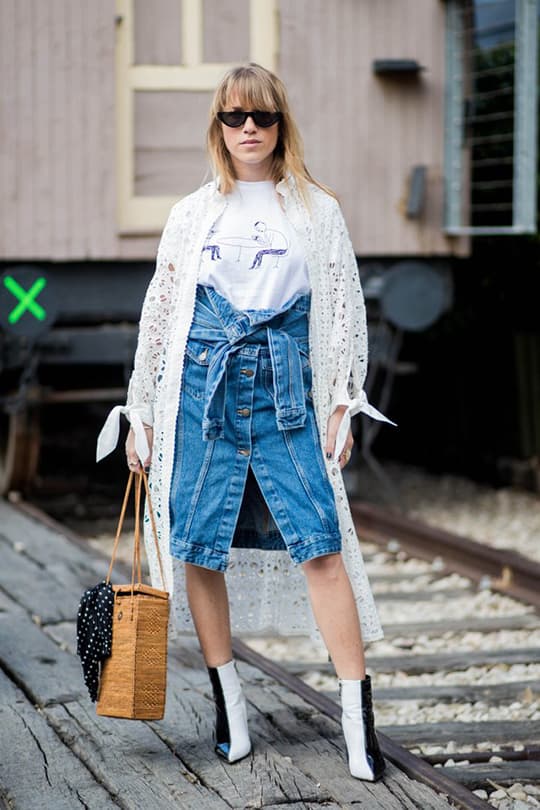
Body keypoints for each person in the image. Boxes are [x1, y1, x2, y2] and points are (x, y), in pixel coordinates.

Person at [97, 63, 394, 782]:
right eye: (234, 118)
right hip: (202, 390)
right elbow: (161, 317)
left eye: (261, 117)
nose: (249, 129)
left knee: (319, 543)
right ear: (219, 128)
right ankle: (229, 704)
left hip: (288, 388)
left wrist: (341, 402)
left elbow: (342, 309)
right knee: (199, 546)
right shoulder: (192, 214)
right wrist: (141, 412)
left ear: (280, 125)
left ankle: (358, 719)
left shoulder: (316, 210)